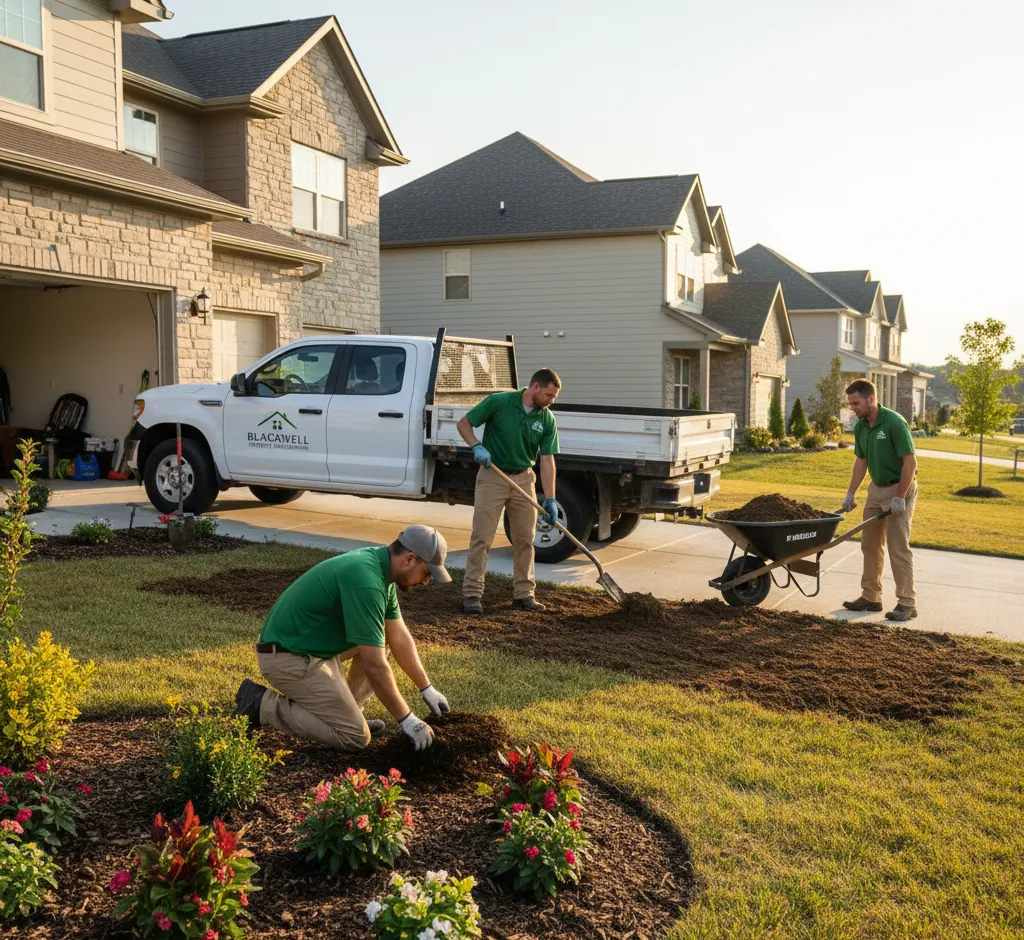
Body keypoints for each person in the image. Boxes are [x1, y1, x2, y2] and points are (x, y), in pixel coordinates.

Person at [233, 525, 453, 751]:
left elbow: (398, 637)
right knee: (354, 737)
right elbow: (375, 666)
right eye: (427, 573)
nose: (426, 581)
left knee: (384, 638)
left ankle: (348, 713)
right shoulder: (367, 581)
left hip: (305, 647)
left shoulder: (380, 569)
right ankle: (261, 704)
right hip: (286, 656)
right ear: (409, 559)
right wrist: (408, 720)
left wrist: (427, 688)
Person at [456, 368, 562, 614]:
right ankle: (472, 594)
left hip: (524, 478)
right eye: (549, 395)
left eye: (554, 397)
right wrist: (476, 446)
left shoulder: (546, 419)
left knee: (525, 539)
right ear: (535, 387)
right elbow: (464, 424)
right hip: (493, 475)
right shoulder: (499, 402)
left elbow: (547, 460)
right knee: (482, 537)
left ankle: (524, 594)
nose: (551, 401)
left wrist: (551, 498)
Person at [840, 380, 919, 621]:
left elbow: (910, 463)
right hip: (876, 489)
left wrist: (900, 497)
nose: (852, 408)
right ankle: (871, 596)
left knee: (898, 547)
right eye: (850, 403)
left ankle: (907, 603)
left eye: (856, 403)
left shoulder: (894, 422)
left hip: (899, 487)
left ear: (871, 399)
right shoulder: (862, 426)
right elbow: (861, 461)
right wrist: (851, 492)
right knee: (870, 545)